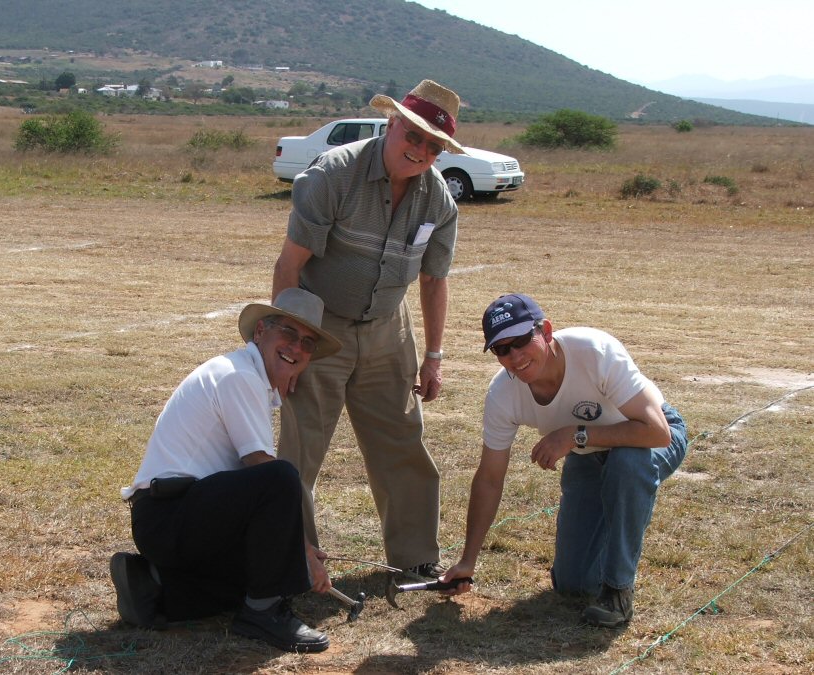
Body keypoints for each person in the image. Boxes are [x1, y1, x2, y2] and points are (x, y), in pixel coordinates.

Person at [271, 79, 463, 582]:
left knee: (402, 441)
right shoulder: (334, 175)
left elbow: (435, 281)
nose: (420, 150)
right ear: (391, 123)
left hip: (388, 327)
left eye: (433, 145)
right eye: (414, 135)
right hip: (319, 326)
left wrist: (434, 355)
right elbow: (290, 266)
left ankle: (415, 557)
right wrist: (287, 349)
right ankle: (295, 558)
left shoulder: (439, 201)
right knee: (300, 450)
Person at [110, 288, 342, 653]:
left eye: (308, 343)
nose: (296, 348)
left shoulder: (248, 375)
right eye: (289, 333)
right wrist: (305, 551)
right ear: (261, 331)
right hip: (168, 515)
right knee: (281, 478)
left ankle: (155, 587)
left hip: (169, 519)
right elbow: (262, 470)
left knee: (258, 577)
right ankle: (264, 614)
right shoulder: (241, 377)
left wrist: (294, 557)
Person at [442, 294, 688, 628]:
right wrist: (467, 560)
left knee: (626, 466)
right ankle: (612, 538)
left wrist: (573, 434)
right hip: (587, 456)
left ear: (545, 330)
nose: (515, 357)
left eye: (521, 341)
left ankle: (618, 591)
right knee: (574, 585)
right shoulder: (503, 394)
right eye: (502, 349)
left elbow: (658, 433)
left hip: (648, 437)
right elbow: (489, 478)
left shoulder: (595, 351)